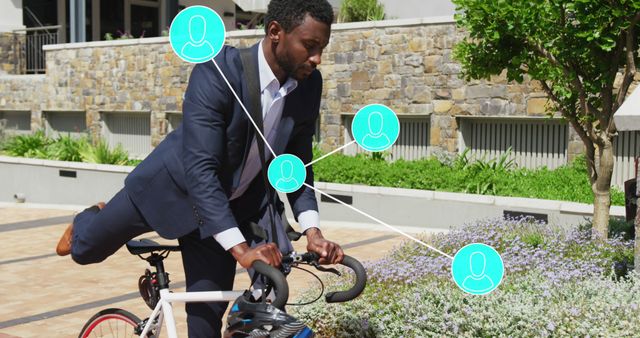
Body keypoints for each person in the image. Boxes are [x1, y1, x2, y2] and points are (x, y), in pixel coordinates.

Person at [55, 0, 343, 336]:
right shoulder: (216, 72)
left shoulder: (309, 84)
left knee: (205, 322)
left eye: (322, 48)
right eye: (309, 46)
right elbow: (201, 169)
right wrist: (242, 251)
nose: (317, 59)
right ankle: (87, 218)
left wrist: (313, 231)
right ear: (275, 33)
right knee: (85, 251)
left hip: (221, 212)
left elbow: (297, 164)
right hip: (167, 190)